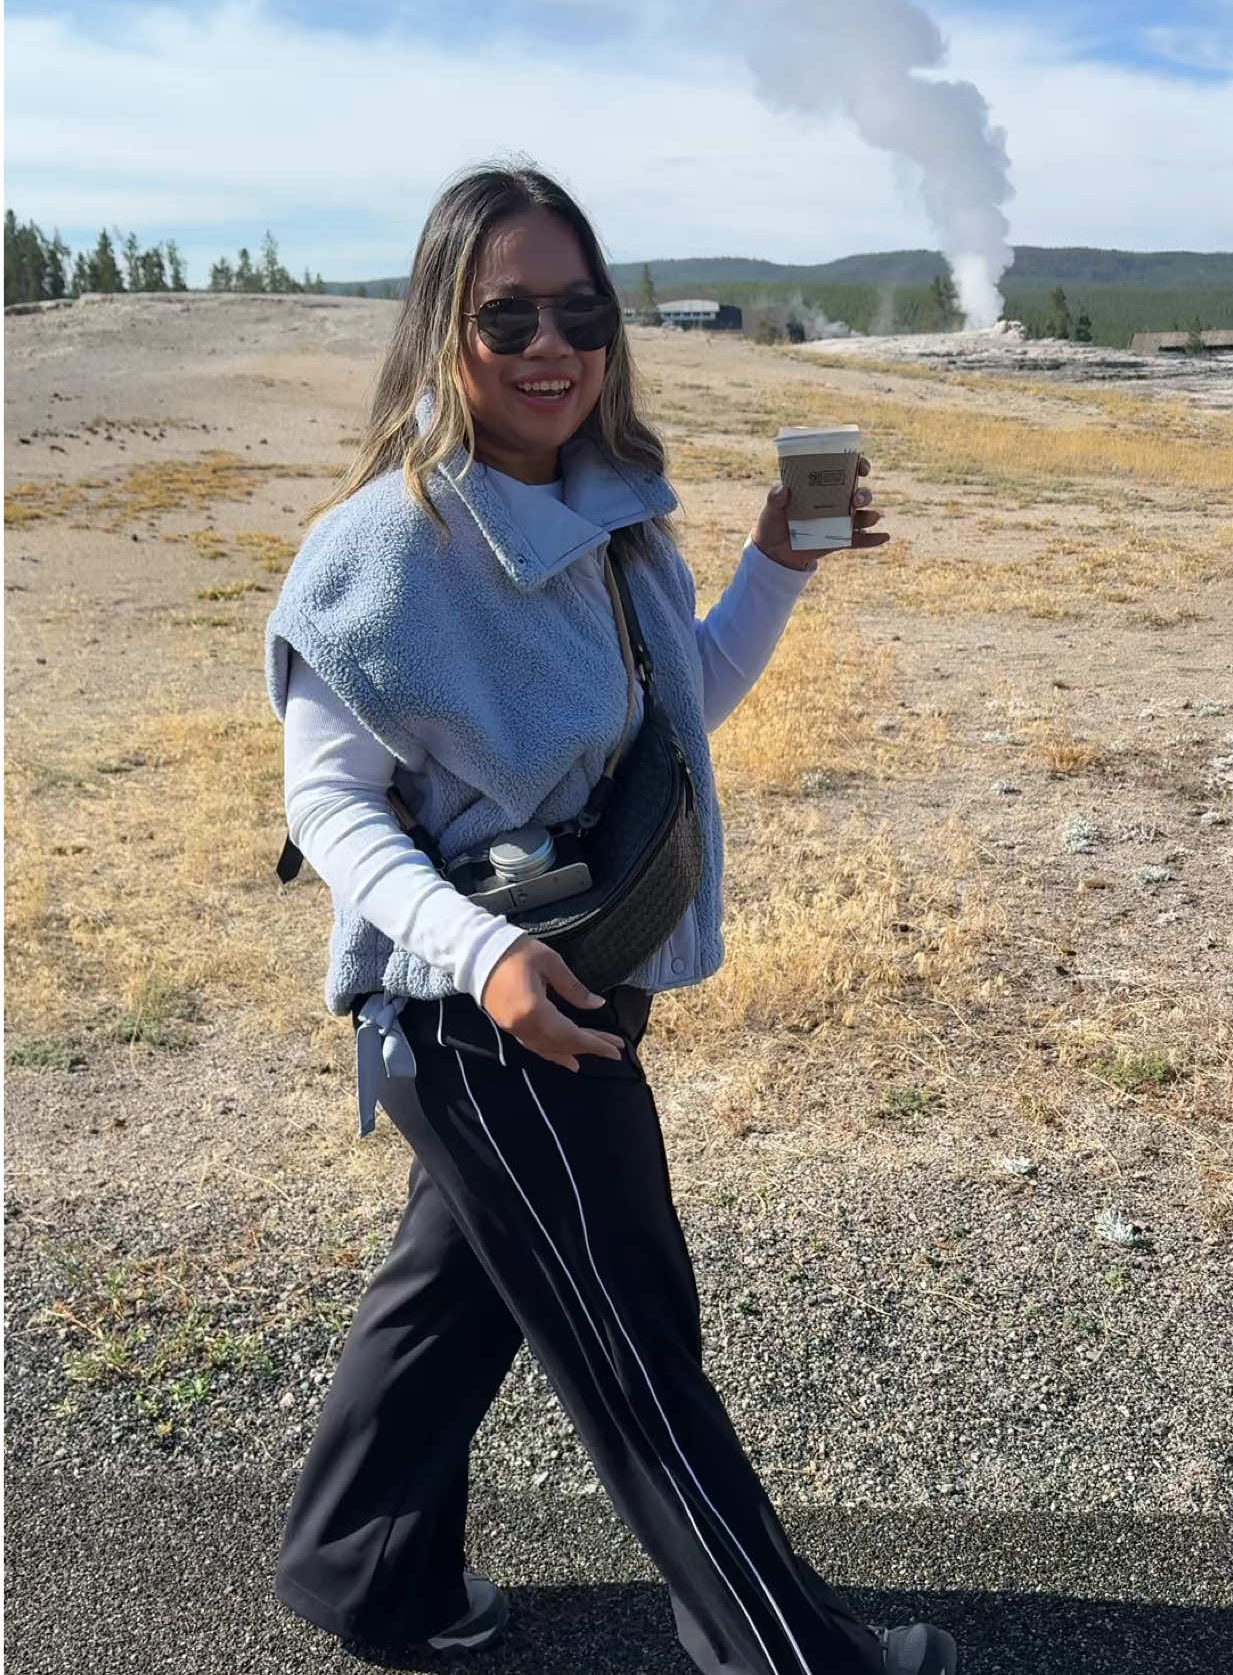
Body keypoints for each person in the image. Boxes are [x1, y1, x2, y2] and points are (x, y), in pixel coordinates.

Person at [264, 162, 958, 1675]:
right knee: (634, 1336)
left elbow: (672, 718)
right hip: (487, 1009)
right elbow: (331, 811)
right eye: (504, 312)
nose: (546, 343)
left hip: (577, 972)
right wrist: (485, 953)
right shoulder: (380, 551)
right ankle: (784, 1652)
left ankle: (362, 1573)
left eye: (577, 309)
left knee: (454, 1299)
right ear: (441, 326)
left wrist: (775, 565)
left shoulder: (609, 509)